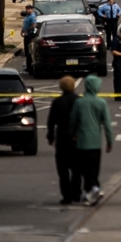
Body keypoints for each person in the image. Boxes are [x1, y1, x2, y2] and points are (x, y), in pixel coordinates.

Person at [69, 74, 113, 205]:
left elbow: (73, 121)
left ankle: (92, 189)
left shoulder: (79, 102)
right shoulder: (101, 103)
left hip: (82, 141)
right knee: (94, 168)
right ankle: (90, 192)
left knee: (85, 169)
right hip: (96, 142)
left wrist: (73, 133)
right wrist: (109, 140)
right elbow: (107, 124)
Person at [47, 75, 82, 204]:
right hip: (76, 138)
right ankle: (76, 193)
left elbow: (51, 122)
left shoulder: (57, 102)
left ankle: (66, 195)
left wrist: (50, 136)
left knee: (63, 169)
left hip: (62, 138)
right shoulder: (79, 101)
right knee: (76, 169)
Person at [22, 4, 37, 73]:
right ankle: (28, 66)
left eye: (28, 9)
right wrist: (22, 30)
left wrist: (26, 31)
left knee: (29, 51)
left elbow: (33, 25)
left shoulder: (32, 16)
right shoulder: (27, 16)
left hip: (30, 35)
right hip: (26, 34)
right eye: (26, 9)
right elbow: (25, 24)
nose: (27, 10)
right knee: (27, 51)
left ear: (31, 9)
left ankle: (30, 67)